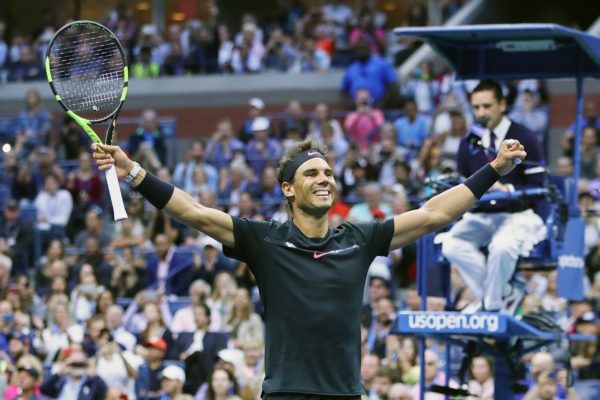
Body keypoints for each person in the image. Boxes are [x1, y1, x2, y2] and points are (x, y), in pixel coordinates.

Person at [92, 126, 525, 397]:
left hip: (345, 393)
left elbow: (436, 214)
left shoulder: (361, 237)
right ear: (287, 189)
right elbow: (192, 212)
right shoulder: (263, 240)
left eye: (328, 173)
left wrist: (494, 169)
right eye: (311, 174)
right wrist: (133, 172)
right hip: (285, 393)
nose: (324, 180)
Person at [439, 79, 547, 314]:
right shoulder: (468, 144)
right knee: (450, 245)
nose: (481, 113)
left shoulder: (525, 137)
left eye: (487, 106)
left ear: (503, 104)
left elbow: (538, 186)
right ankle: (505, 294)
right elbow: (462, 187)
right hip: (481, 216)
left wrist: (507, 190)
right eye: (477, 108)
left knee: (501, 247)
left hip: (518, 215)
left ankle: (491, 308)